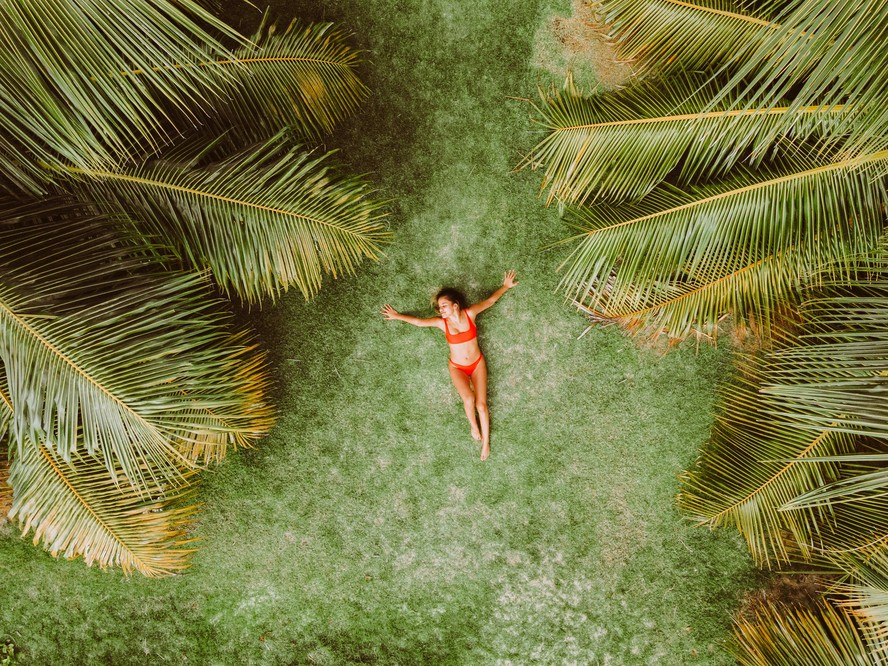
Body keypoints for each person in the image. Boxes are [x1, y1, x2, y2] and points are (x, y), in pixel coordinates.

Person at [382, 271, 518, 460]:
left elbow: (489, 302)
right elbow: (419, 322)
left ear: (455, 305)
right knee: (469, 400)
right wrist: (397, 316)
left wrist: (505, 286)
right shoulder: (442, 324)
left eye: (444, 306)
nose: (441, 310)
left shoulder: (470, 314)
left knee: (481, 405)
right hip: (457, 367)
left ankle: (485, 442)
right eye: (439, 307)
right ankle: (473, 425)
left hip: (477, 364)